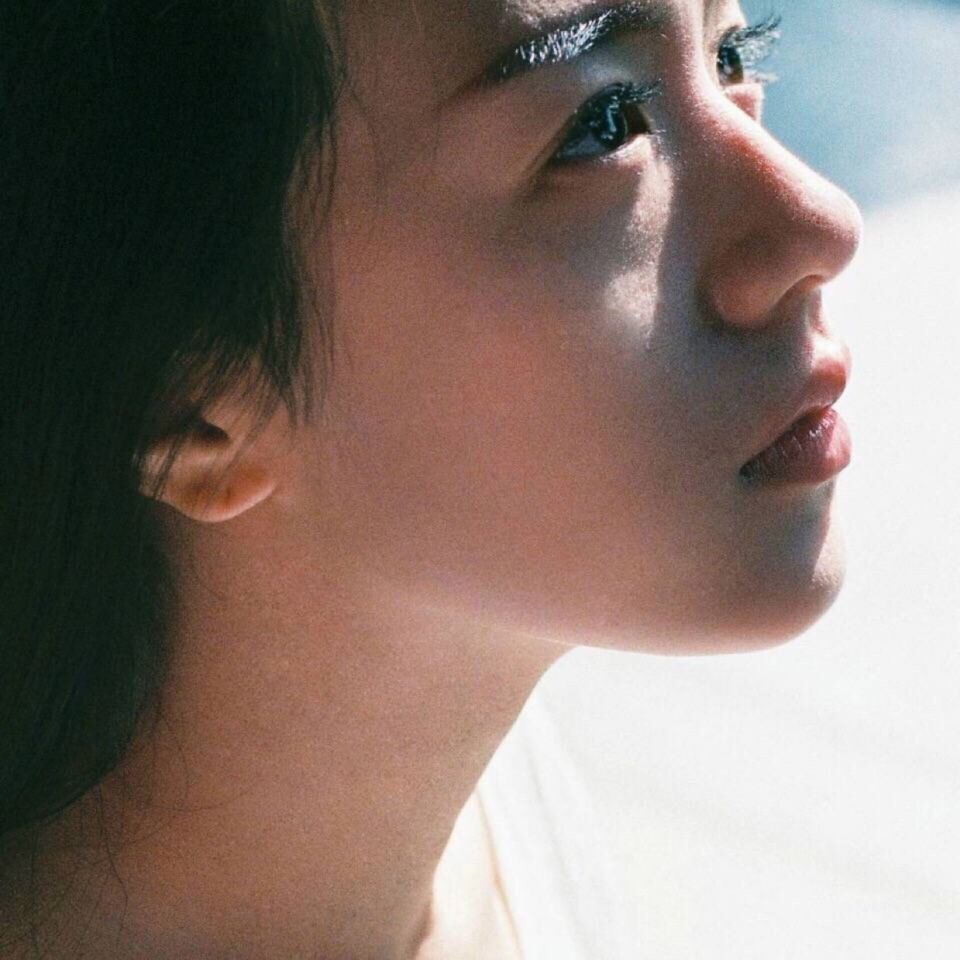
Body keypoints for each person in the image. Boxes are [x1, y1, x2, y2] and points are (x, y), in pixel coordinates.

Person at [0, 0, 862, 957]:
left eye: (733, 52)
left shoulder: (503, 814)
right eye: (599, 123)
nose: (823, 221)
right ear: (191, 411)